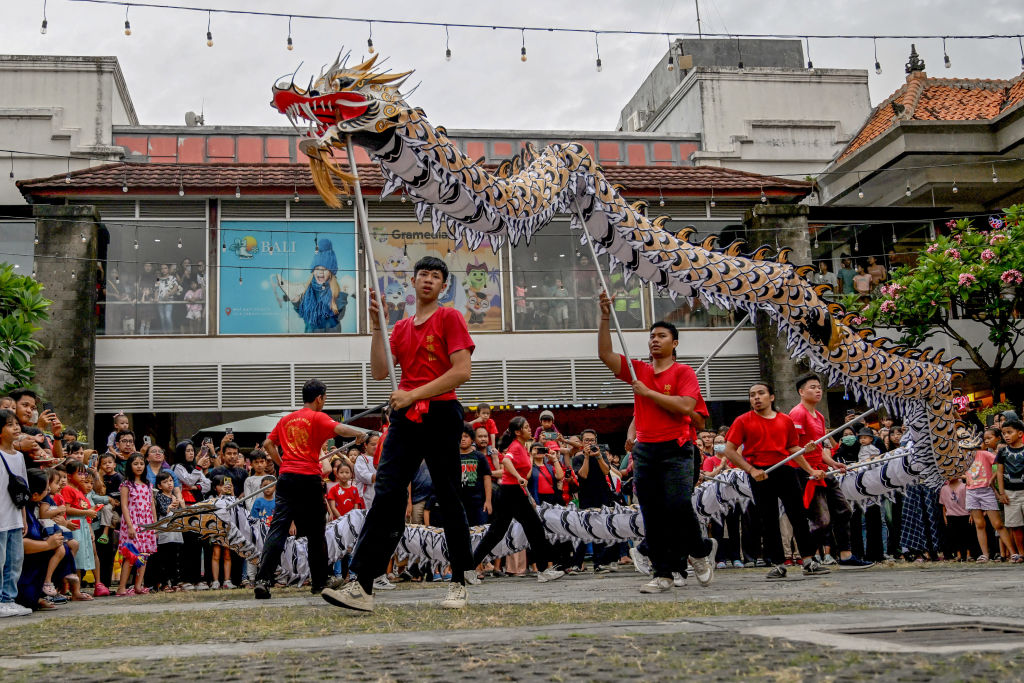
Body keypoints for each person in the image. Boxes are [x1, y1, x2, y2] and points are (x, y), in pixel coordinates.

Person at [323, 257, 476, 612]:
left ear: (443, 286)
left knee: (449, 494)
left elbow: (462, 371)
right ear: (413, 281)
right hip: (405, 415)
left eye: (436, 276)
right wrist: (378, 327)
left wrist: (414, 394)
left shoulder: (449, 317)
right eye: (423, 274)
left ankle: (459, 580)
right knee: (387, 494)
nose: (428, 280)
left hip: (440, 411)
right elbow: (379, 371)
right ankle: (361, 583)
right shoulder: (403, 327)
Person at [597, 300, 715, 593]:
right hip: (645, 451)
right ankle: (662, 573)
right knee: (652, 514)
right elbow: (605, 354)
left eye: (661, 336)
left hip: (676, 449)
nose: (654, 340)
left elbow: (687, 406)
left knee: (677, 505)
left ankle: (699, 552)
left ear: (674, 343)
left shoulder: (683, 373)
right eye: (652, 336)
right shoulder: (637, 370)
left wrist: (647, 392)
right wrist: (603, 318)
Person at [254, 379, 367, 599]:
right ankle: (319, 581)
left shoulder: (286, 419)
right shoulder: (317, 416)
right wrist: (358, 434)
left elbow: (269, 444)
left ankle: (263, 579)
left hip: (287, 478)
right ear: (319, 398)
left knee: (278, 528)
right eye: (325, 399)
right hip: (309, 479)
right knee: (316, 532)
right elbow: (339, 429)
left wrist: (281, 464)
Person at [721, 382, 830, 580]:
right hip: (760, 474)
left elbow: (792, 448)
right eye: (752, 394)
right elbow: (729, 450)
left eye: (761, 393)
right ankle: (778, 564)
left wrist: (810, 467)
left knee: (798, 516)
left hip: (786, 471)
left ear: (771, 397)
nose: (756, 398)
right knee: (768, 519)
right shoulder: (743, 420)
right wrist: (751, 470)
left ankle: (808, 560)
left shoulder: (785, 420)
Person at [788, 374, 872, 569]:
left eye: (819, 387)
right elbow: (793, 449)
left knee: (843, 510)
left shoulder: (819, 416)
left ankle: (845, 556)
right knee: (821, 520)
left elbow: (818, 449)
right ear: (801, 392)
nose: (817, 390)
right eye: (812, 387)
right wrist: (810, 470)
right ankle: (809, 558)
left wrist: (833, 463)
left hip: (822, 471)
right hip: (805, 473)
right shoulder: (797, 413)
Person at [469, 417, 565, 583]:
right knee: (527, 530)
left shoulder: (522, 446)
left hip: (515, 492)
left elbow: (521, 470)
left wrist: (523, 481)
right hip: (510, 493)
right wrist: (518, 476)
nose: (530, 429)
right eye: (526, 427)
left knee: (521, 530)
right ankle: (468, 568)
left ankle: (468, 567)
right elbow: (506, 460)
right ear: (517, 432)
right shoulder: (515, 446)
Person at [0, 409, 32, 616]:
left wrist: (23, 515)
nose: (16, 428)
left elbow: (24, 489)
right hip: (1, 518)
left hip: (14, 517)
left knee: (15, 561)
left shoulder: (19, 457)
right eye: (10, 424)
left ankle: (8, 599)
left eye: (17, 424)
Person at [965, 438, 1013, 563]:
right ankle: (985, 554)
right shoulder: (962, 458)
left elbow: (999, 465)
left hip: (985, 490)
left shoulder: (984, 454)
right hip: (971, 491)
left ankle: (1013, 553)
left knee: (997, 524)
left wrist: (992, 479)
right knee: (979, 524)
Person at [117, 452, 156, 596]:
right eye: (135, 464)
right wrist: (130, 525)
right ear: (130, 466)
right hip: (133, 521)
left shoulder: (148, 484)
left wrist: (155, 525)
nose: (139, 466)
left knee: (144, 555)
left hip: (147, 523)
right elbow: (124, 506)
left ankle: (138, 586)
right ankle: (122, 587)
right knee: (131, 555)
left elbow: (152, 505)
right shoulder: (126, 484)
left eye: (141, 463)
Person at [996, 419, 1024, 563]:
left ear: (1020, 434)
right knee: (1015, 525)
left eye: (1009, 432)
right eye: (1004, 433)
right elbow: (1000, 472)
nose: (1006, 435)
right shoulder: (1002, 452)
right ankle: (1021, 553)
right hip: (1010, 492)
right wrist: (1002, 493)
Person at [457, 424, 493, 526]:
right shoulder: (451, 457)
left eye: (466, 436)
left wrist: (488, 501)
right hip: (458, 503)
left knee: (480, 532)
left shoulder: (479, 456)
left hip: (478, 503)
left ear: (472, 439)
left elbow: (487, 478)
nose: (462, 439)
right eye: (460, 436)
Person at [938, 477, 971, 561]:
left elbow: (970, 501)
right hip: (951, 515)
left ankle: (968, 554)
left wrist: (971, 514)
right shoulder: (944, 489)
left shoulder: (964, 486)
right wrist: (945, 517)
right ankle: (958, 554)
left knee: (966, 536)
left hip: (965, 514)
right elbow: (943, 505)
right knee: (954, 536)